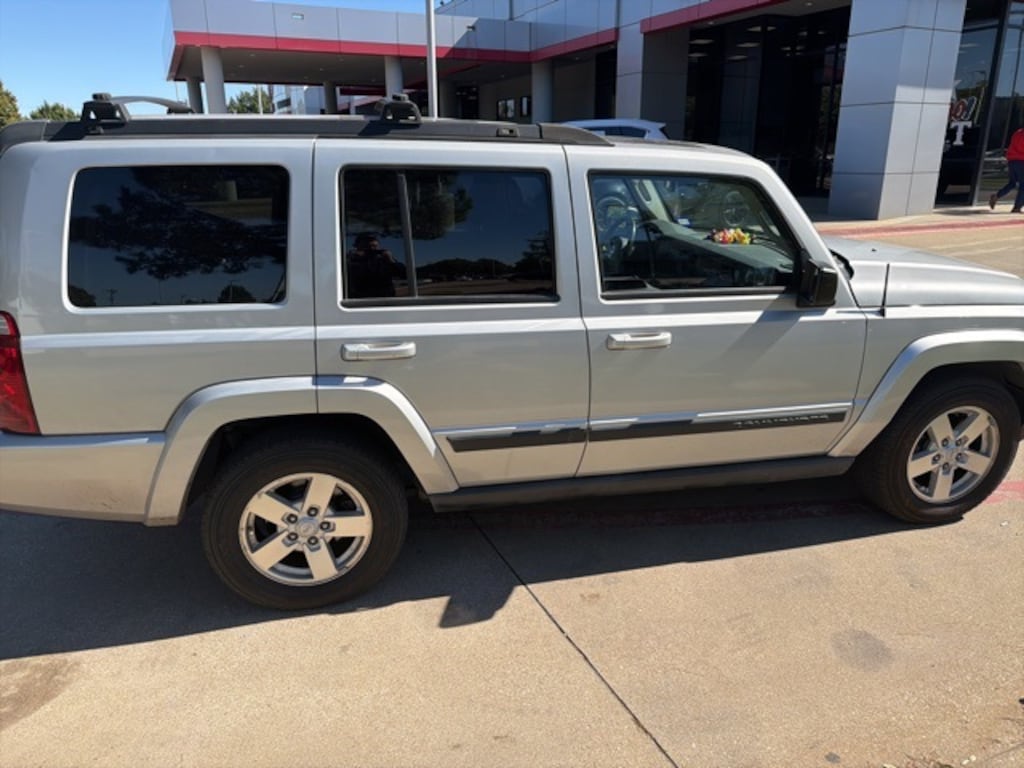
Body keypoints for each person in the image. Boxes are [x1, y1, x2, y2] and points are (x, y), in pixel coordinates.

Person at [346, 233, 398, 298]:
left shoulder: (383, 260)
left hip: (385, 301)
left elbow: (404, 274)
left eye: (375, 246)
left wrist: (391, 260)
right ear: (357, 248)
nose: (372, 249)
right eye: (367, 247)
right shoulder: (351, 261)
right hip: (359, 302)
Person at [988, 126, 1024, 213]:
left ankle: (996, 196)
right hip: (1021, 161)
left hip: (1012, 160)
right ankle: (1017, 207)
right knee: (1023, 185)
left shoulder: (1017, 132)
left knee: (1012, 183)